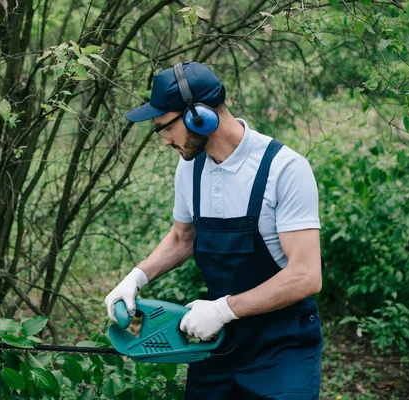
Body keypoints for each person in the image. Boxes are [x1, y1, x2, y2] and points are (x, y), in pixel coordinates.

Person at [104, 61, 323, 399]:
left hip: (282, 345)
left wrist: (222, 309)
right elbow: (182, 237)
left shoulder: (285, 169)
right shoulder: (189, 168)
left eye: (163, 127)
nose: (163, 140)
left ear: (198, 116)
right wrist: (136, 277)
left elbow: (306, 276)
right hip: (216, 342)